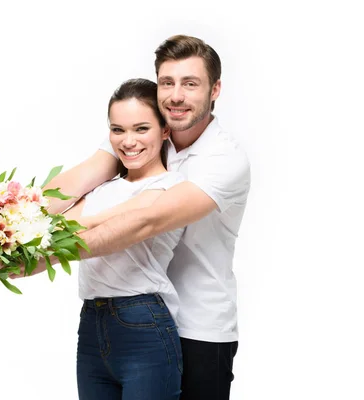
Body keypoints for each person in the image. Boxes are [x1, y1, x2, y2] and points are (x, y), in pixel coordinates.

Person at [43, 35, 251, 400]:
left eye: (190, 84)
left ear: (215, 89)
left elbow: (146, 221)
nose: (176, 95)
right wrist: (3, 223)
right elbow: (72, 186)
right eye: (167, 83)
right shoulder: (147, 135)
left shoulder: (224, 160)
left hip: (200, 325)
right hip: (136, 312)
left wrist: (48, 251)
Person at [62, 78, 185, 399]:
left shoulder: (173, 187)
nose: (128, 141)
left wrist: (68, 224)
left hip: (144, 325)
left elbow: (126, 220)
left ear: (165, 131)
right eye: (118, 130)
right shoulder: (101, 189)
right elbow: (53, 235)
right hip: (91, 325)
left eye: (141, 129)